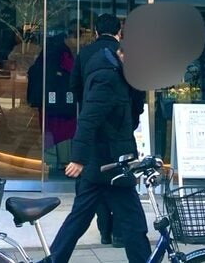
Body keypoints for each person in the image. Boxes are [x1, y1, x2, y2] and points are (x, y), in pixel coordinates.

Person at [49, 42, 150, 263]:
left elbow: (130, 112)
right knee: (133, 224)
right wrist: (78, 158)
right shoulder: (108, 78)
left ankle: (53, 259)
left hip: (104, 162)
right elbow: (88, 118)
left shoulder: (119, 74)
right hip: (111, 163)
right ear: (123, 54)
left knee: (79, 219)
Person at [69, 13, 144, 247]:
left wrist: (88, 109)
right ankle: (119, 234)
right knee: (119, 183)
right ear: (119, 32)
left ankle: (104, 231)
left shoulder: (85, 54)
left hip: (94, 130)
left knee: (97, 182)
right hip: (120, 131)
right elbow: (138, 95)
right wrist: (131, 120)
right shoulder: (125, 54)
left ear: (96, 31)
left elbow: (75, 87)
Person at [27, 32, 78, 173]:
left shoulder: (43, 55)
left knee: (48, 130)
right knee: (65, 131)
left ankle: (50, 161)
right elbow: (72, 71)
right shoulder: (64, 53)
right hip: (64, 101)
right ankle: (63, 162)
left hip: (46, 102)